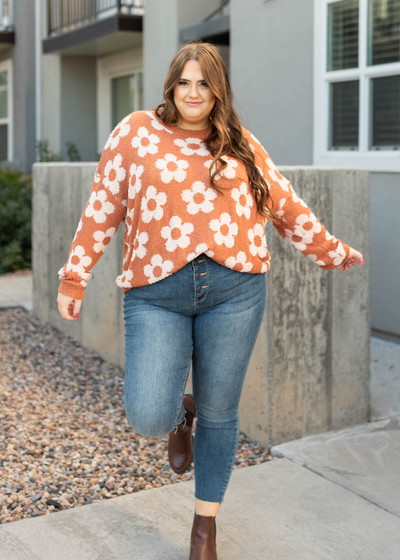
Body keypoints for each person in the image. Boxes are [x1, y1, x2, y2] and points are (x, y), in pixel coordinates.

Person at [57, 39, 364, 560]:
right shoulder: (137, 132)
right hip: (155, 292)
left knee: (220, 412)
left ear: (218, 90)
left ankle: (205, 530)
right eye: (185, 82)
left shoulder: (240, 142)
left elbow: (284, 203)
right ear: (170, 85)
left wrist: (329, 250)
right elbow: (102, 205)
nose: (193, 93)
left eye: (205, 83)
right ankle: (179, 417)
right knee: (147, 414)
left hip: (236, 290)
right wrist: (74, 276)